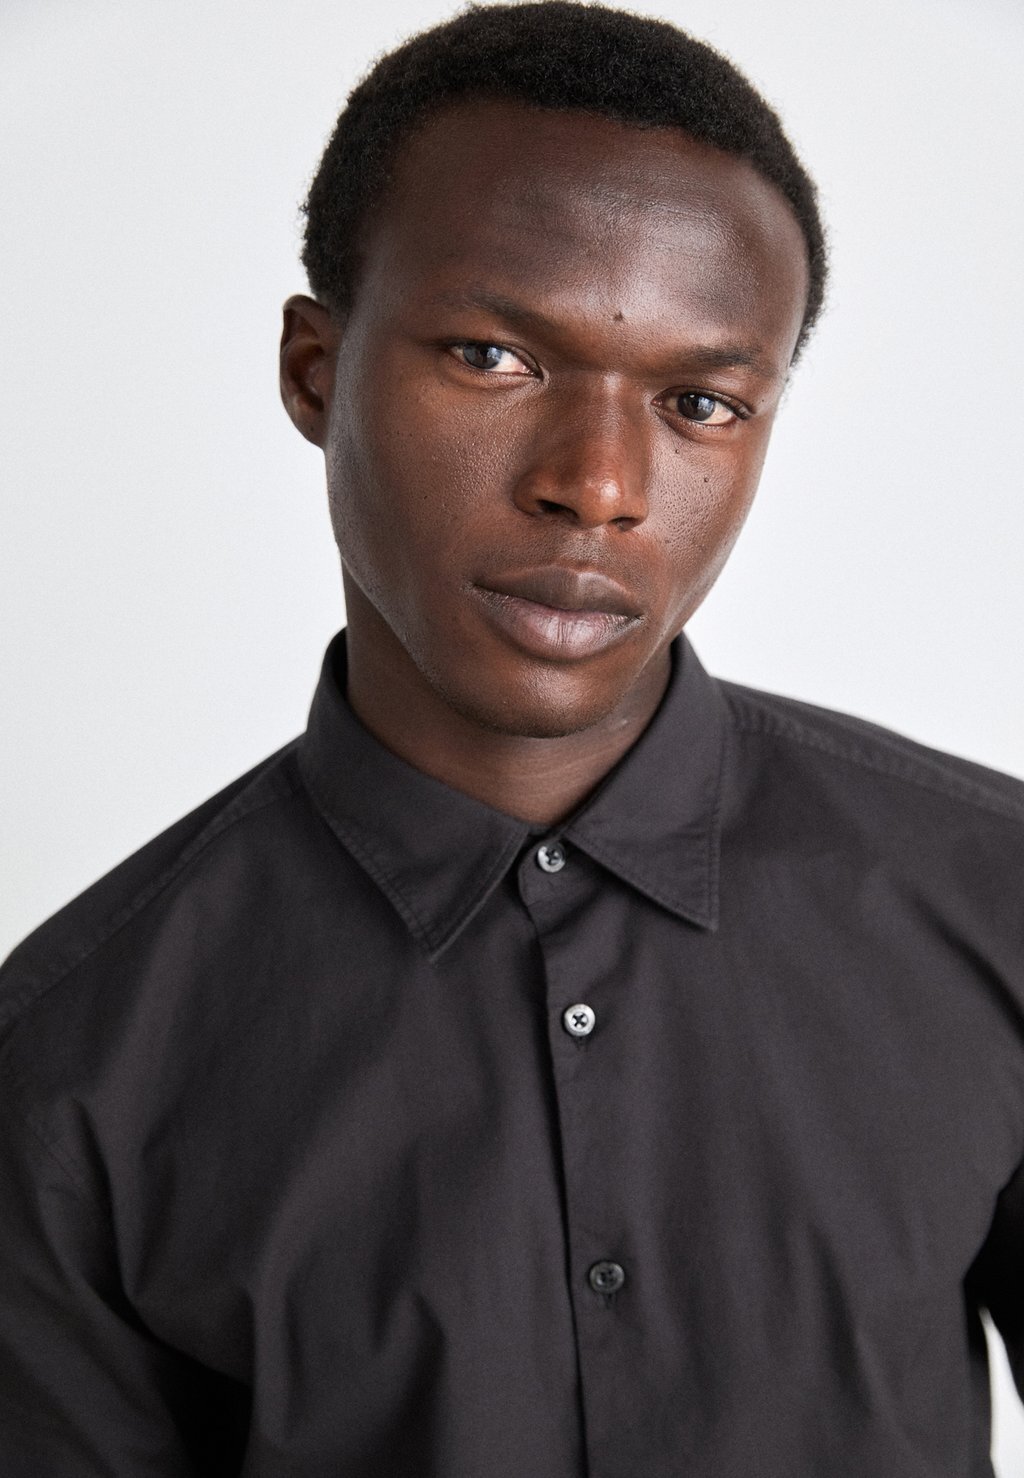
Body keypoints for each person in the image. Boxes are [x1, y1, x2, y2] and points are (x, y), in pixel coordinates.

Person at [1, 2, 1021, 1473]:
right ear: (315, 373)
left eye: (699, 402)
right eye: (491, 356)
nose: (598, 485)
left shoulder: (997, 907)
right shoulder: (71, 1060)